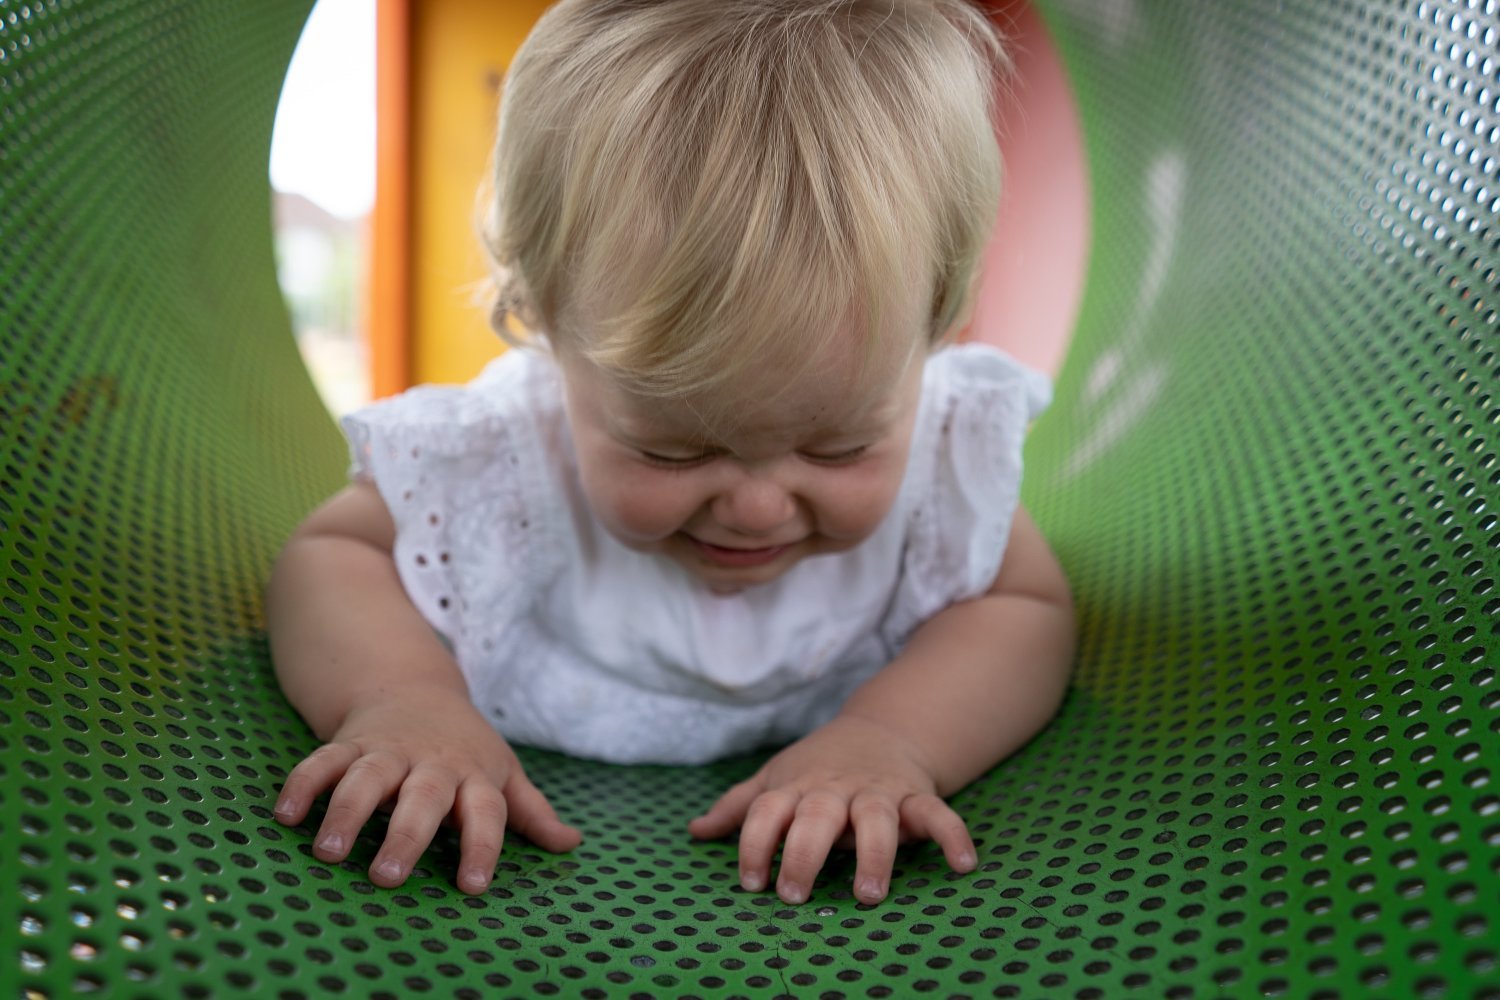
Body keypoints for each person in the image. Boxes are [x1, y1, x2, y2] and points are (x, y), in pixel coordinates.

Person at [268, 0, 1076, 907]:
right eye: (676, 450)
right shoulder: (503, 456)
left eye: (840, 444)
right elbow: (335, 554)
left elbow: (1023, 605)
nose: (760, 507)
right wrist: (404, 699)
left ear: (934, 331)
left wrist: (893, 739)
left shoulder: (942, 453)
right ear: (547, 329)